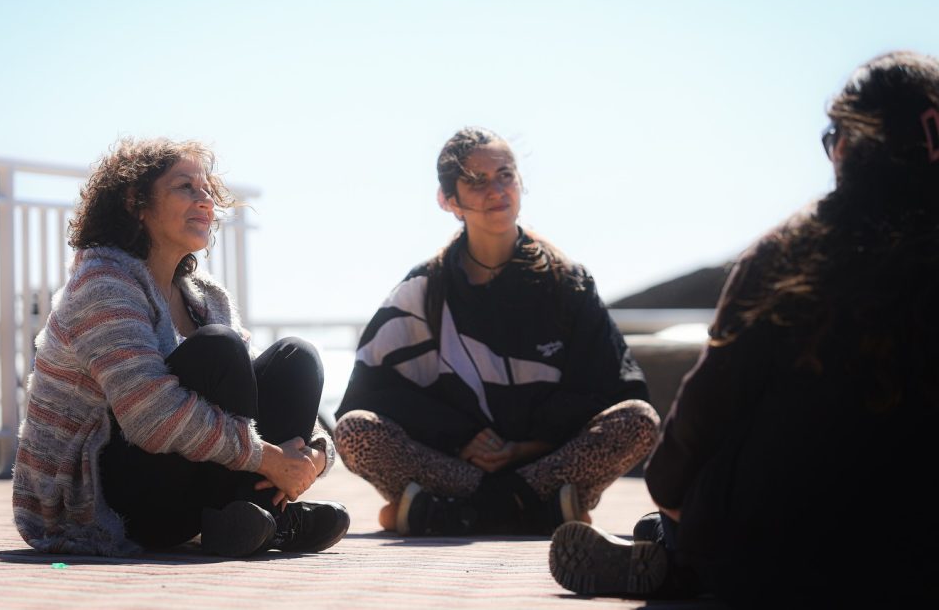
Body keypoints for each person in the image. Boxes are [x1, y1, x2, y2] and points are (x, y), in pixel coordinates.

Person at [549, 51, 939, 603]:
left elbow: (706, 409)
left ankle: (670, 556)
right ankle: (671, 552)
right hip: (916, 562)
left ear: (850, 145)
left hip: (771, 555)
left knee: (687, 517)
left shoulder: (794, 252)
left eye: (832, 137)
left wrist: (674, 498)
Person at [13, 137, 348, 557]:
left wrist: (313, 455)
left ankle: (254, 517)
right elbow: (148, 415)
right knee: (219, 349)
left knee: (295, 358)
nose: (205, 200)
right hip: (107, 504)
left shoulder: (205, 296)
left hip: (185, 485)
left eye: (207, 189)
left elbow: (256, 391)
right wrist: (270, 460)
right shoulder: (102, 285)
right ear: (136, 202)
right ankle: (263, 518)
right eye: (185, 187)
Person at [334, 127, 659, 536]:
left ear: (520, 182)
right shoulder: (423, 290)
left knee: (639, 421)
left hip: (545, 464)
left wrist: (527, 446)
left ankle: (451, 513)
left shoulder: (567, 282)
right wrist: (462, 438)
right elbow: (369, 397)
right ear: (448, 200)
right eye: (477, 180)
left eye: (505, 175)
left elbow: (615, 387)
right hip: (458, 467)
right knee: (355, 431)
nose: (496, 190)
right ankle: (531, 510)